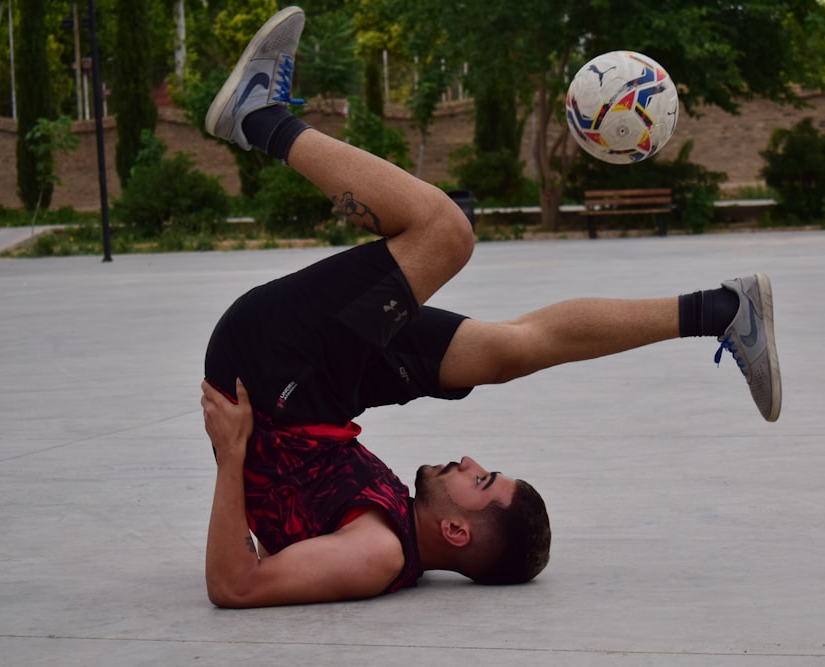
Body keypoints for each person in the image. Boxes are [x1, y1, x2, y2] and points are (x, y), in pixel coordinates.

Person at [200, 6, 781, 608]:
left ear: (457, 531)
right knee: (507, 351)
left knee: (445, 234)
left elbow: (234, 585)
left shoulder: (377, 554)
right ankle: (722, 312)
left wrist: (234, 454)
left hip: (276, 375)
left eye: (480, 480)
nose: (470, 459)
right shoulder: (398, 530)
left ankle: (259, 116)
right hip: (324, 388)